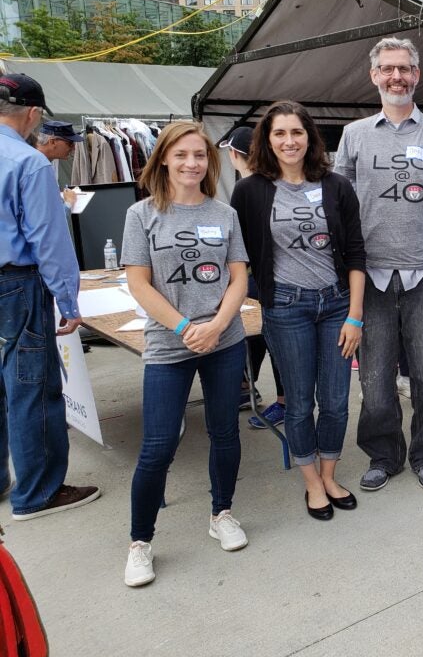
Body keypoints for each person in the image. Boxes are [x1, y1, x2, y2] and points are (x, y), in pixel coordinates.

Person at [335, 37, 423, 492]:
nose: (397, 76)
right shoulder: (354, 135)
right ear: (374, 75)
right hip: (370, 277)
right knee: (375, 383)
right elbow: (338, 205)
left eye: (406, 68)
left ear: (417, 74)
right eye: (388, 68)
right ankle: (383, 454)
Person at [120, 121, 250, 587]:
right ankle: (140, 543)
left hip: (224, 342)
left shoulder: (225, 214)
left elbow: (238, 278)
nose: (191, 163)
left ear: (209, 162)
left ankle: (223, 513)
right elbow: (138, 282)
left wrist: (215, 326)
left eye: (199, 155)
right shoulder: (142, 216)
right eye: (181, 155)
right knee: (157, 447)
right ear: (164, 161)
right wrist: (183, 327)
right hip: (167, 347)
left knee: (224, 433)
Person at [232, 101, 365, 521]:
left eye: (297, 132)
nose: (289, 141)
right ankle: (311, 483)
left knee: (337, 400)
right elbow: (240, 257)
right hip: (287, 308)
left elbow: (357, 253)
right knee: (299, 402)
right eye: (279, 134)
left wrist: (355, 316)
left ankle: (329, 474)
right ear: (267, 141)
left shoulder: (337, 185)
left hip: (336, 306)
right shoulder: (250, 190)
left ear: (310, 137)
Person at [0, 74, 100, 518]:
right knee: (31, 386)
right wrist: (69, 300)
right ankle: (38, 492)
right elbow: (49, 239)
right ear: (35, 113)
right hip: (16, 284)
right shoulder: (29, 162)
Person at [221, 125, 287, 429]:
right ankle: (245, 386)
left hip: (270, 279)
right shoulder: (277, 182)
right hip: (267, 277)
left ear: (235, 155)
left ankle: (283, 401)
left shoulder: (248, 189)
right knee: (257, 333)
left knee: (272, 339)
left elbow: (237, 243)